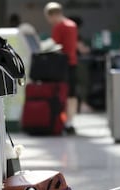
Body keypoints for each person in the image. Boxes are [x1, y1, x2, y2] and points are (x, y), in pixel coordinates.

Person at [44, 2, 79, 135]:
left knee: (62, 93)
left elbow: (54, 46)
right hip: (73, 62)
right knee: (72, 94)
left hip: (62, 65)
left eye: (48, 17)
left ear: (52, 15)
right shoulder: (72, 24)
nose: (49, 21)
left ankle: (61, 121)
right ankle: (70, 121)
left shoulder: (59, 27)